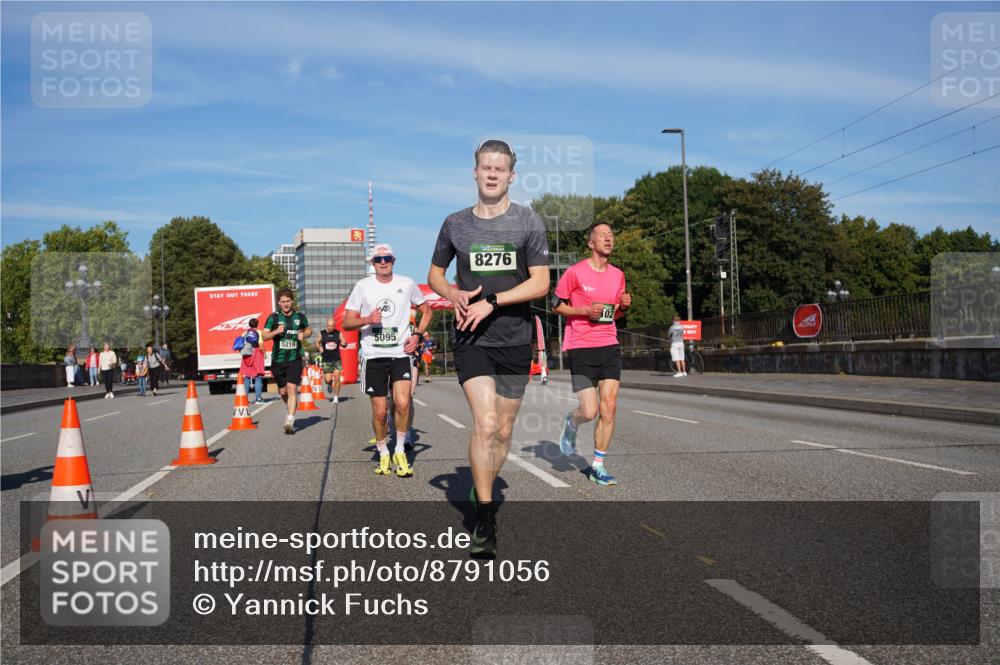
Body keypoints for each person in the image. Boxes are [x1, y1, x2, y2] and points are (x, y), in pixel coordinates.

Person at [427, 138, 550, 558]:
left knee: (503, 430)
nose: (493, 174)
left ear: (511, 175)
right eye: (486, 167)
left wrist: (492, 302)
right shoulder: (455, 223)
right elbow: (435, 274)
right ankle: (484, 514)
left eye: (500, 168)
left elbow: (540, 283)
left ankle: (484, 497)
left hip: (516, 340)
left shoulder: (528, 222)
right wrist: (454, 294)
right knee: (485, 423)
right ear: (475, 172)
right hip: (472, 340)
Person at [344, 243, 432, 478]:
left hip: (401, 353)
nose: (383, 262)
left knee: (403, 403)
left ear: (394, 260)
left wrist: (417, 334)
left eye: (387, 258)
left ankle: (400, 450)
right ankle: (383, 452)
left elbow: (428, 310)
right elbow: (346, 322)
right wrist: (366, 318)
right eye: (378, 259)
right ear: (372, 263)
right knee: (381, 412)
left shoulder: (407, 283)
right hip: (373, 356)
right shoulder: (362, 287)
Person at [553, 222, 631, 485]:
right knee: (589, 410)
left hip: (609, 344)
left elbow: (615, 314)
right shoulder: (574, 273)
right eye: (602, 235)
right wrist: (584, 311)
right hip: (581, 346)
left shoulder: (618, 274)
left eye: (611, 234)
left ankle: (598, 465)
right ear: (590, 243)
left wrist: (623, 307)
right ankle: (572, 423)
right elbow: (557, 306)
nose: (608, 238)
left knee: (609, 407)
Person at [262, 288, 312, 435]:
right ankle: (290, 405)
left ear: (292, 301)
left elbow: (308, 330)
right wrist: (276, 332)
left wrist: (305, 334)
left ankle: (289, 420)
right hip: (278, 360)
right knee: (282, 391)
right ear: (279, 303)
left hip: (294, 359)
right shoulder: (274, 318)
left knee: (291, 389)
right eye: (282, 302)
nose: (285, 304)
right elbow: (264, 336)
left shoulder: (299, 317)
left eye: (287, 301)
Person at [315, 318, 343, 404]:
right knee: (328, 379)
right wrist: (319, 347)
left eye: (332, 326)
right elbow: (317, 342)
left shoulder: (338, 333)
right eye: (329, 326)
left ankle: (336, 397)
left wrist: (344, 342)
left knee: (337, 378)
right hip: (326, 359)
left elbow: (343, 340)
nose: (331, 327)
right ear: (327, 325)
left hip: (336, 359)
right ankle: (329, 384)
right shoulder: (322, 333)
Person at [241, 318, 265, 404]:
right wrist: (264, 354)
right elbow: (261, 345)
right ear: (257, 324)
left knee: (247, 377)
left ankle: (244, 399)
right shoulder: (259, 332)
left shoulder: (245, 333)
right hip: (257, 354)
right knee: (258, 376)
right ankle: (258, 398)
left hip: (247, 356)